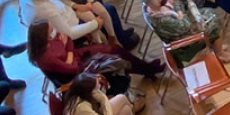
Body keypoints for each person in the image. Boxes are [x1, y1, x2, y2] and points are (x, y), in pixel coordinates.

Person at [26, 20, 164, 86]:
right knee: (114, 52)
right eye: (50, 31)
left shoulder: (49, 41)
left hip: (77, 57)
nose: (53, 32)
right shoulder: (47, 57)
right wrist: (69, 54)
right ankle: (147, 69)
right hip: (79, 71)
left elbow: (67, 39)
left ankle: (146, 69)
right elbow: (72, 68)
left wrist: (68, 54)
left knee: (114, 49)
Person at [141, 0, 230, 64]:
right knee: (214, 23)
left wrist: (172, 1)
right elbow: (185, 25)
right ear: (157, 4)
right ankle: (220, 53)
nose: (166, 0)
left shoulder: (147, 6)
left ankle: (216, 46)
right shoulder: (163, 20)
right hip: (183, 40)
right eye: (163, 0)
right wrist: (177, 5)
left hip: (177, 28)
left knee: (209, 12)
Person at [63, 73, 139, 115]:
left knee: (126, 110)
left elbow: (103, 98)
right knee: (122, 99)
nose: (99, 86)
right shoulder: (82, 107)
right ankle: (133, 114)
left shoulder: (79, 93)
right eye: (97, 86)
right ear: (89, 91)